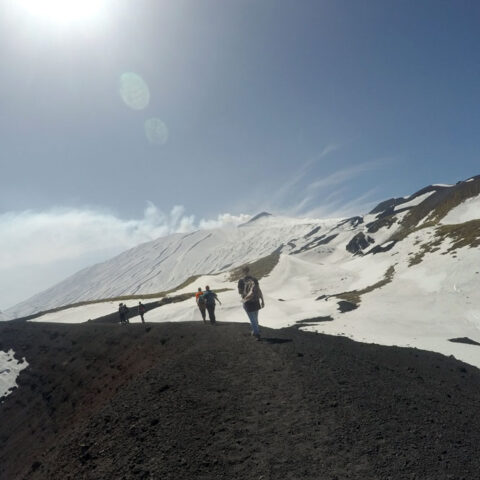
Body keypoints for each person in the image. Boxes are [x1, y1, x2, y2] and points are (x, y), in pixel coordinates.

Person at [237, 266, 264, 340]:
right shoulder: (254, 279)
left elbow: (240, 292)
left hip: (247, 302)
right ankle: (255, 331)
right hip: (256, 301)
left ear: (243, 272)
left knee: (252, 319)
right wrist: (262, 300)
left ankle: (257, 334)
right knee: (255, 318)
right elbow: (259, 290)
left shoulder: (241, 281)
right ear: (249, 270)